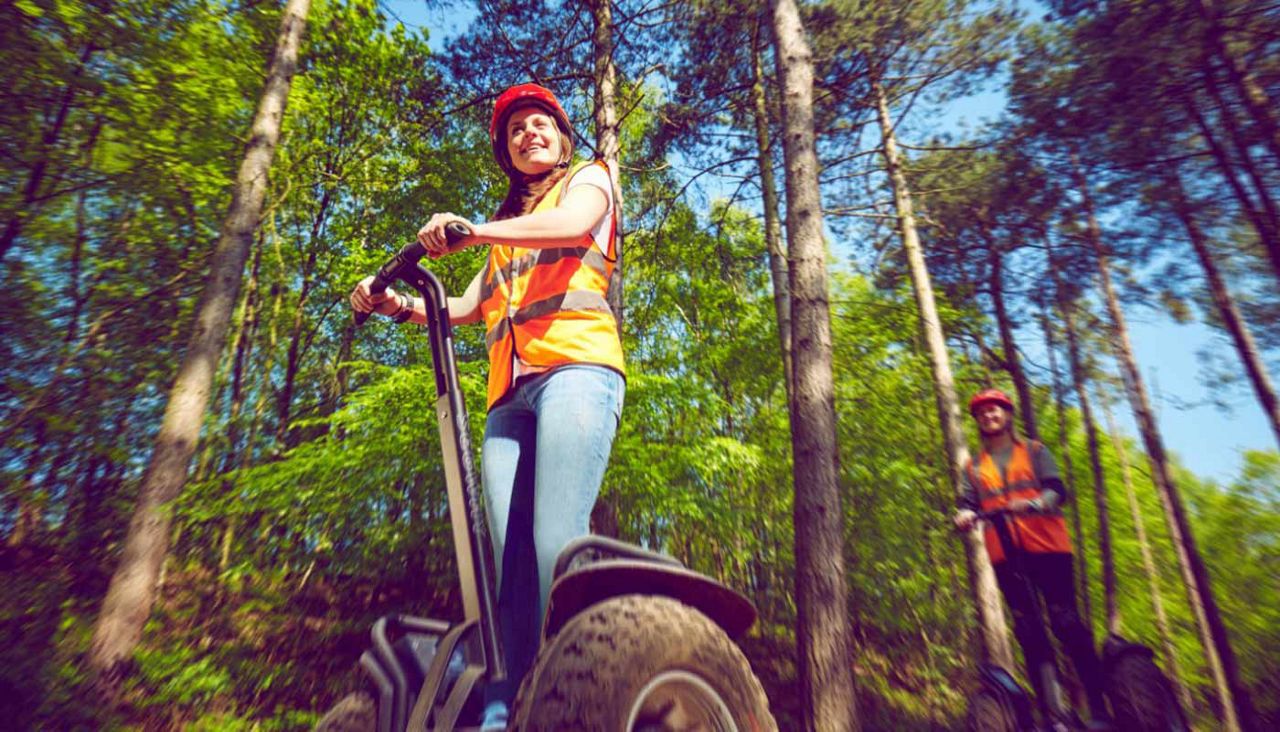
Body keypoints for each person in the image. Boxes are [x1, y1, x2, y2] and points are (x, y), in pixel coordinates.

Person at [350, 82, 625, 730]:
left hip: (577, 372)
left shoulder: (590, 180)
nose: (528, 133)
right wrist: (398, 305)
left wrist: (472, 232)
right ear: (506, 151)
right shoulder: (502, 238)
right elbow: (468, 308)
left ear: (561, 137)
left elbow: (573, 224)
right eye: (515, 130)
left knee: (556, 541)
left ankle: (581, 689)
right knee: (507, 563)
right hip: (510, 398)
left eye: (540, 124)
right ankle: (508, 704)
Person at [954, 388, 1111, 728]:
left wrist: (1037, 503)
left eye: (994, 410)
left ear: (1007, 415)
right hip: (1006, 556)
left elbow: (1057, 489)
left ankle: (1099, 708)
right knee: (1028, 630)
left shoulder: (1035, 451)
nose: (988, 416)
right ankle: (1053, 715)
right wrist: (963, 515)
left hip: (1048, 548)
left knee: (1065, 622)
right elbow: (967, 502)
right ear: (978, 421)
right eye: (982, 413)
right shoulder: (973, 466)